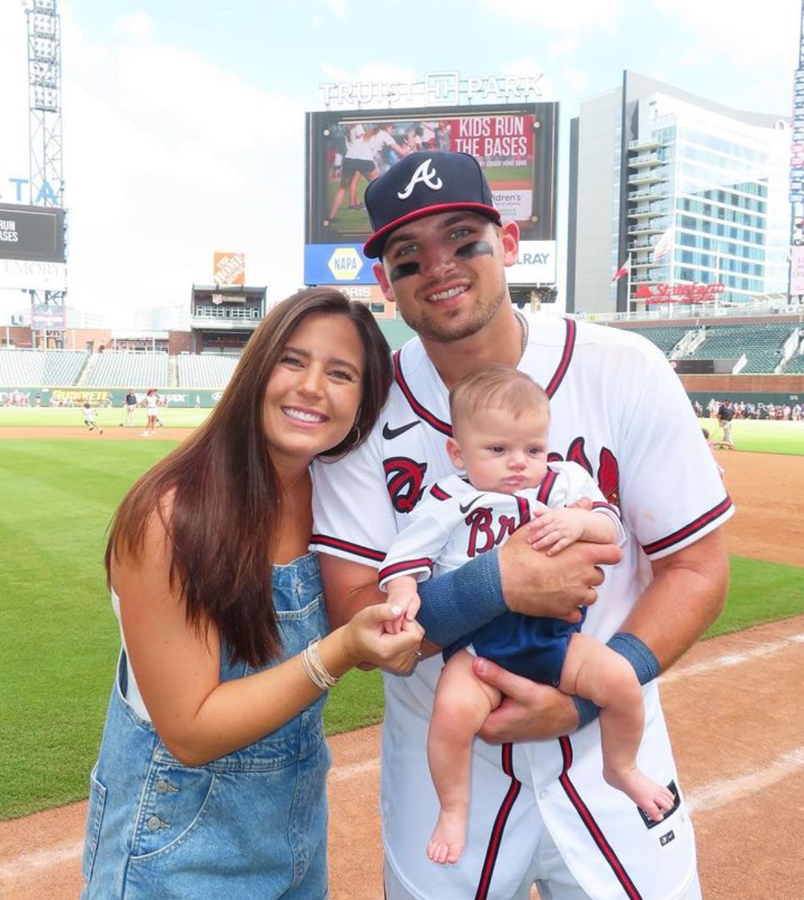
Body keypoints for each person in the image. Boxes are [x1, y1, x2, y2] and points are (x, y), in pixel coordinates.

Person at [310, 150, 732, 900]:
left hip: (605, 751)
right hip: (445, 769)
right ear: (385, 282)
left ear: (506, 244)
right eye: (408, 257)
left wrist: (591, 697)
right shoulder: (365, 409)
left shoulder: (623, 369)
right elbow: (355, 611)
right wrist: (494, 582)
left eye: (463, 238)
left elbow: (696, 568)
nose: (438, 267)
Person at [81, 288, 423, 899]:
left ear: (363, 403)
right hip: (177, 841)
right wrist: (339, 651)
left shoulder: (334, 499)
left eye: (340, 373)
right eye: (293, 360)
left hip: (293, 825)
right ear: (256, 368)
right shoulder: (171, 517)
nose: (313, 386)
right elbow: (190, 731)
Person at [380, 366, 674, 866]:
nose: (519, 463)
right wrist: (404, 589)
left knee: (622, 681)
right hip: (480, 648)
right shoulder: (451, 498)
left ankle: (620, 767)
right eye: (498, 450)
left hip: (555, 640)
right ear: (458, 453)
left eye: (532, 450)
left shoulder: (562, 486)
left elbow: (611, 533)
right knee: (450, 717)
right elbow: (408, 555)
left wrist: (579, 519)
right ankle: (453, 809)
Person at [327, 123, 410, 222]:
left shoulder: (369, 133)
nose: (392, 130)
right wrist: (410, 146)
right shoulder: (385, 135)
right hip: (364, 159)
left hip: (349, 158)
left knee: (342, 189)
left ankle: (331, 217)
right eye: (392, 128)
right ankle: (384, 214)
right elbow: (403, 153)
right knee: (381, 187)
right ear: (388, 127)